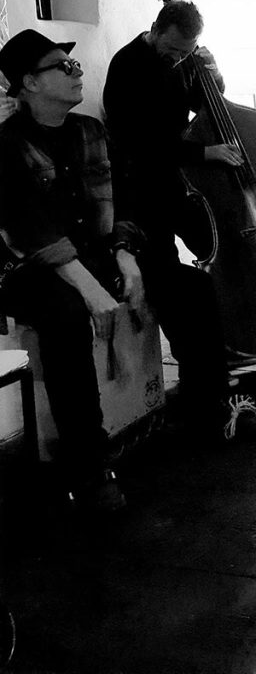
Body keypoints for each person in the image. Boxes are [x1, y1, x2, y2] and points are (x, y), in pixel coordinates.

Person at [103, 1, 256, 441]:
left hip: (181, 184)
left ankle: (230, 358)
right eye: (175, 49)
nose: (179, 58)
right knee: (181, 288)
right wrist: (204, 153)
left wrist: (213, 77)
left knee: (222, 258)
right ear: (156, 29)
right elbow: (136, 142)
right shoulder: (126, 66)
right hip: (144, 191)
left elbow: (207, 107)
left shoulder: (182, 62)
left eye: (187, 52)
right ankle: (205, 391)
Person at [0, 30, 144, 512]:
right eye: (63, 66)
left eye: (75, 64)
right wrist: (89, 288)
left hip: (96, 254)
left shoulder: (91, 131)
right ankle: (89, 467)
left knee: (188, 283)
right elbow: (27, 230)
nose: (76, 72)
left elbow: (124, 198)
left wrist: (125, 253)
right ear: (29, 83)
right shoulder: (7, 145)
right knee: (63, 313)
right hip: (26, 269)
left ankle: (213, 405)